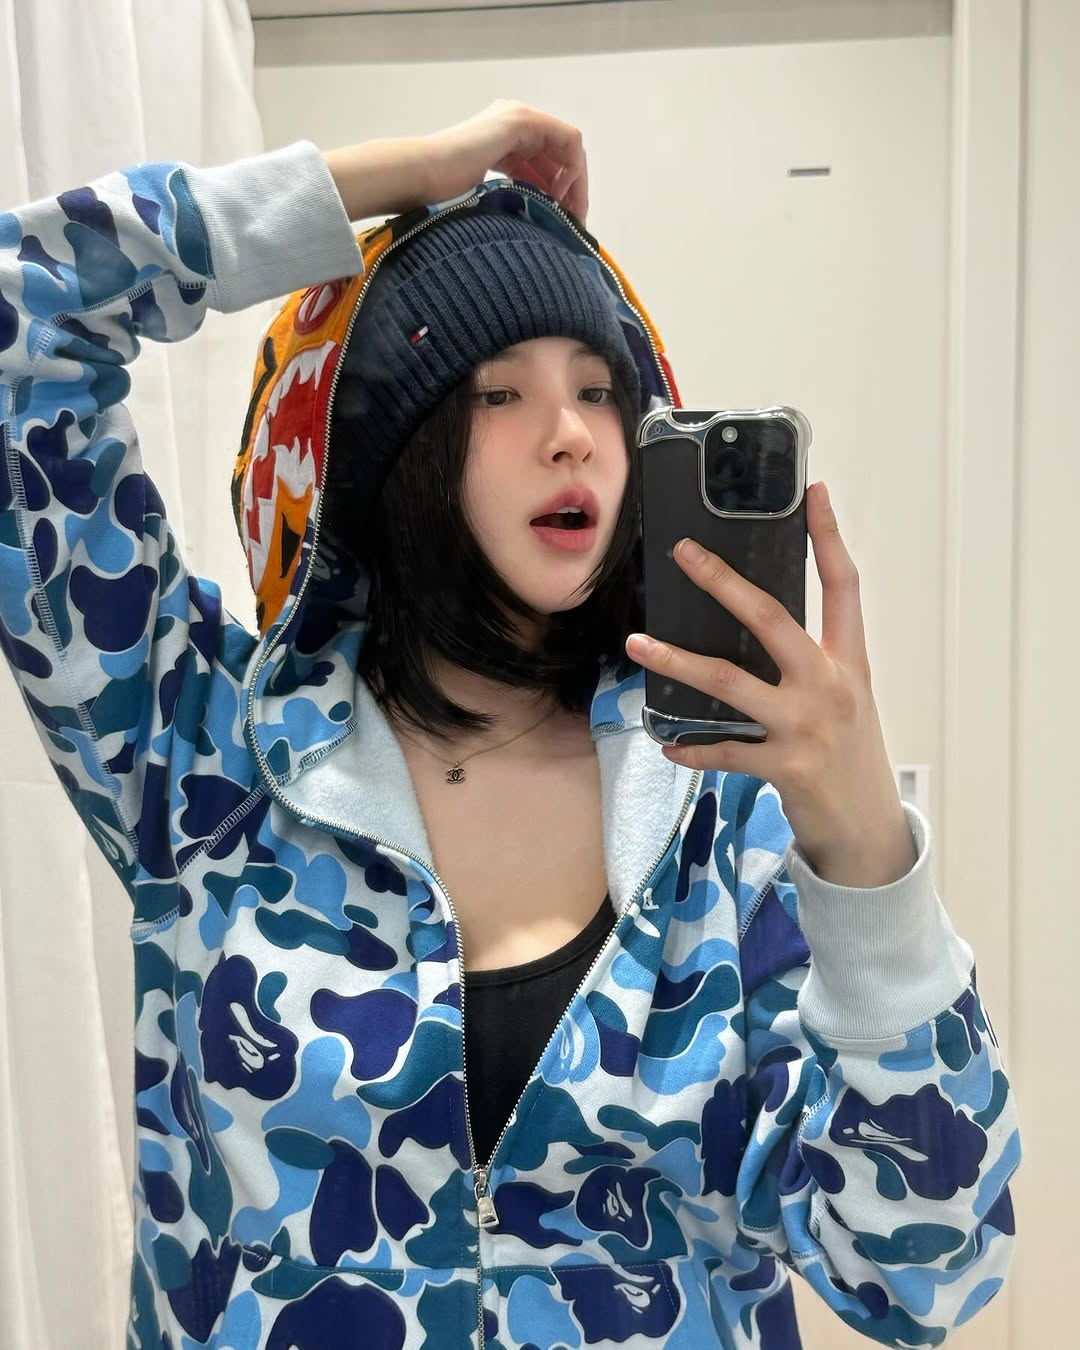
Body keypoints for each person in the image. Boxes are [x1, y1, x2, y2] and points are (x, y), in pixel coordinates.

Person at [0, 100, 1017, 1349]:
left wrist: (864, 851)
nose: (572, 435)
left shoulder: (720, 807)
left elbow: (924, 1278)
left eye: (599, 390)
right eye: (499, 392)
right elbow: (22, 316)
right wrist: (387, 179)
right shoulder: (209, 753)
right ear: (396, 450)